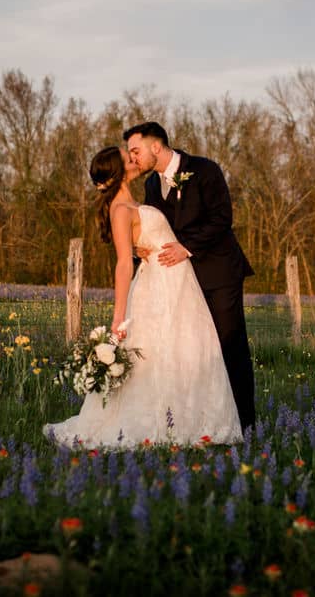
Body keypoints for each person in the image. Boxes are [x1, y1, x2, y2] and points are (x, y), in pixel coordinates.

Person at [43, 145, 242, 448]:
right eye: (128, 158)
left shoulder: (136, 201)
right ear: (118, 172)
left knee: (184, 352)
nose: (134, 160)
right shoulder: (120, 210)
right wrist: (118, 316)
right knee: (156, 355)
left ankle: (192, 423)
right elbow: (123, 264)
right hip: (157, 288)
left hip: (180, 286)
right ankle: (157, 426)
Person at [124, 121, 256, 431]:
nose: (133, 160)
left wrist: (187, 248)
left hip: (220, 273)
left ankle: (246, 426)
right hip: (182, 282)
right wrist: (140, 249)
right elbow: (155, 228)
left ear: (156, 146)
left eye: (136, 151)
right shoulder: (152, 185)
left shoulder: (205, 170)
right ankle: (204, 422)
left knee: (229, 347)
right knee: (194, 352)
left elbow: (222, 218)